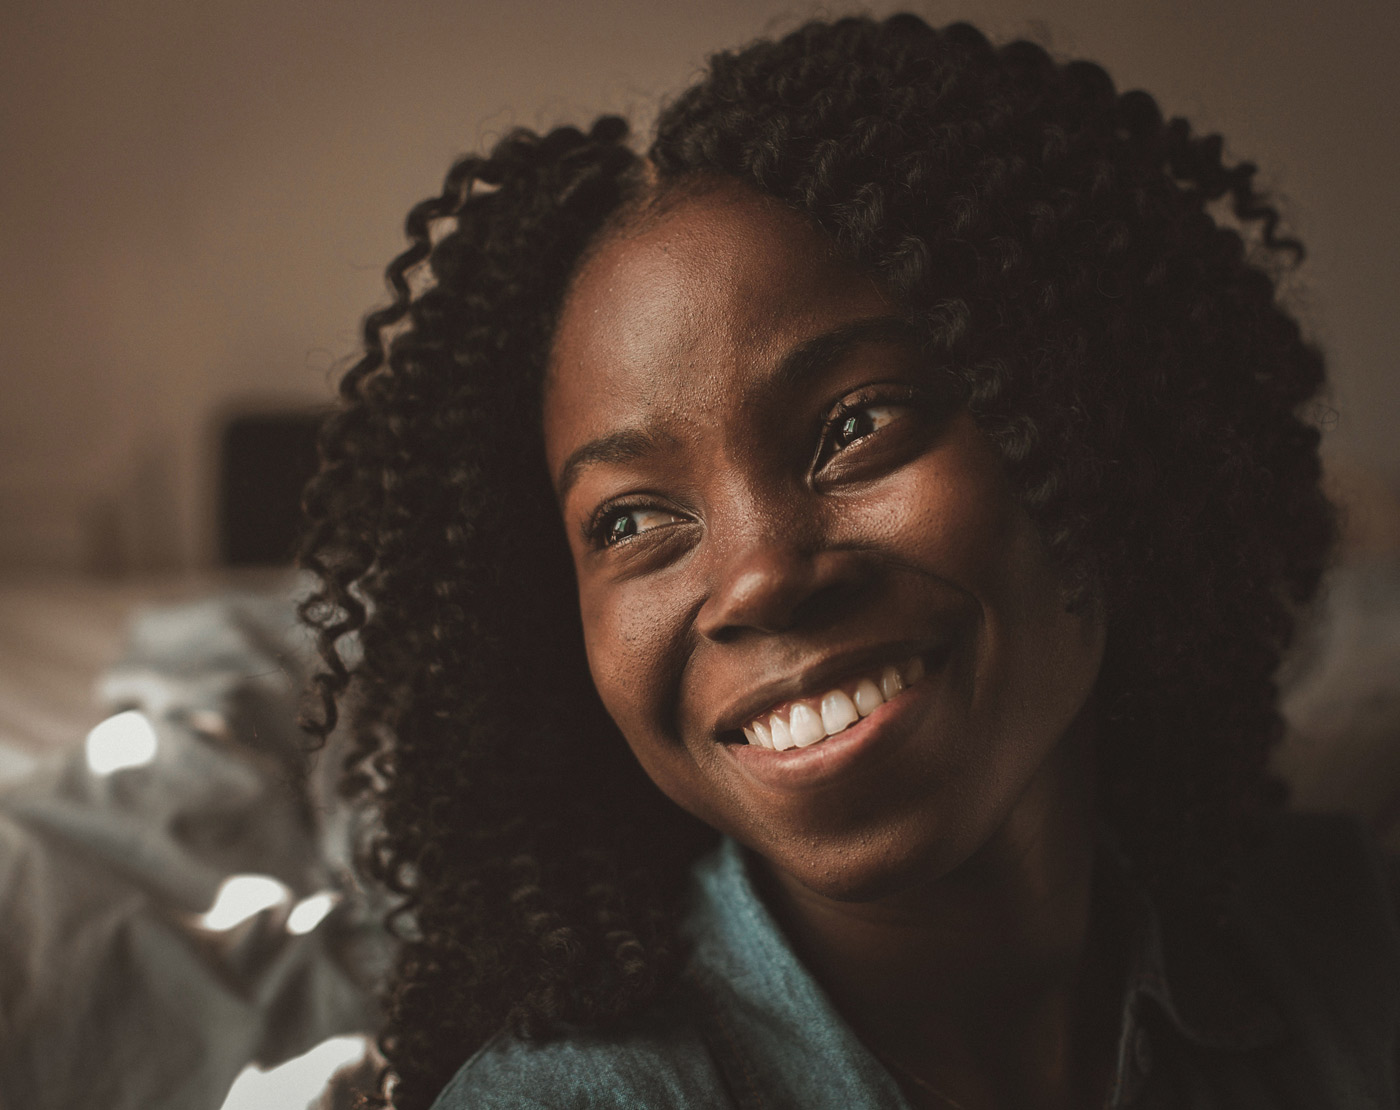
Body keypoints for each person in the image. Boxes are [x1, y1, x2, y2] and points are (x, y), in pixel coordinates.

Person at [298, 14, 1399, 1109]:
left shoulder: (1355, 942)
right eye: (631, 522)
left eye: (853, 425)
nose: (761, 577)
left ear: (1093, 420)